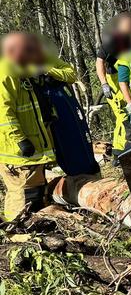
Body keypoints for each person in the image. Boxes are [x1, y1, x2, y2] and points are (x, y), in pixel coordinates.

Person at [0, 32, 76, 220]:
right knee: (21, 194)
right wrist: (20, 140)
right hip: (17, 153)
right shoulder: (6, 73)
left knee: (36, 192)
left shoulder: (23, 72)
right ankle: (15, 231)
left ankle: (35, 225)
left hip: (33, 151)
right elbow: (3, 112)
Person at [95, 12, 131, 155]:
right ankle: (122, 152)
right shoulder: (112, 40)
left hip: (128, 79)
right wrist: (104, 84)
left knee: (130, 116)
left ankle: (123, 150)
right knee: (124, 117)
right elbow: (100, 61)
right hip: (114, 81)